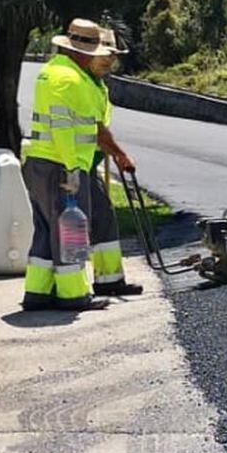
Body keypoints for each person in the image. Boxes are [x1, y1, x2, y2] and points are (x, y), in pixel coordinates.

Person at [21, 19, 111, 312]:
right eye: (93, 51)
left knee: (45, 230)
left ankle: (37, 292)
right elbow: (61, 127)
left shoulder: (51, 72)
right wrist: (72, 168)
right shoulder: (70, 79)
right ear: (81, 52)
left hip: (38, 163)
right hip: (61, 167)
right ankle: (74, 295)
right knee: (69, 231)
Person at [85, 27, 142, 298]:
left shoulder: (98, 84)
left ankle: (109, 280)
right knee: (74, 224)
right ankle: (68, 287)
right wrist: (120, 155)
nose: (108, 60)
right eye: (103, 55)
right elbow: (96, 131)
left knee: (104, 217)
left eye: (112, 55)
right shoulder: (82, 83)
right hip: (69, 165)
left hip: (84, 162)